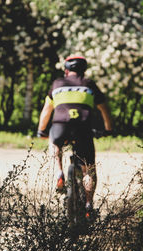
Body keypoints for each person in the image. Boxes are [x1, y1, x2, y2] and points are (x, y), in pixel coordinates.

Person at [36, 55, 113, 215]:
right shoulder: (89, 84)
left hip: (60, 127)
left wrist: (41, 131)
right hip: (83, 129)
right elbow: (104, 109)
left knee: (53, 141)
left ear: (66, 70)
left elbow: (46, 111)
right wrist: (108, 128)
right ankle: (88, 205)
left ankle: (59, 172)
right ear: (83, 71)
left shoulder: (57, 84)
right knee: (88, 169)